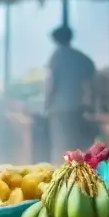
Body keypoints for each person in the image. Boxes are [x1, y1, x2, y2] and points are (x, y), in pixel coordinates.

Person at [43, 25, 97, 159]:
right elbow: (90, 83)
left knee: (61, 145)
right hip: (77, 107)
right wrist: (89, 103)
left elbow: (52, 82)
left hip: (59, 108)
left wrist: (47, 102)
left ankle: (62, 174)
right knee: (76, 144)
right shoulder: (81, 57)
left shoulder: (57, 56)